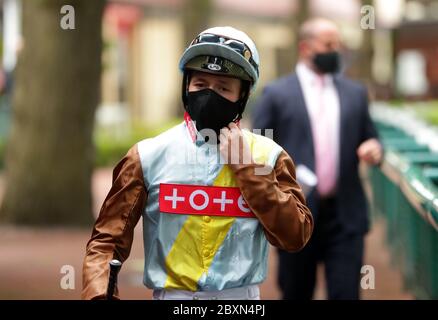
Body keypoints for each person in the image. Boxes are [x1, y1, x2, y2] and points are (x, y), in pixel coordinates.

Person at [82, 26, 313, 300]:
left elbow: (295, 235)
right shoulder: (147, 156)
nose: (209, 95)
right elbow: (107, 241)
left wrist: (247, 170)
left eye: (223, 87)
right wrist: (98, 295)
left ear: (243, 95)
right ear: (186, 86)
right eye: (200, 85)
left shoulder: (269, 156)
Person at [252, 18, 383, 300]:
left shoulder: (355, 93)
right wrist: (275, 188)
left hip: (345, 215)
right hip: (295, 213)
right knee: (296, 292)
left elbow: (371, 137)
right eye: (328, 44)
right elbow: (258, 149)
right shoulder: (276, 94)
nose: (335, 50)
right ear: (305, 47)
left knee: (346, 293)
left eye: (338, 44)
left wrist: (374, 148)